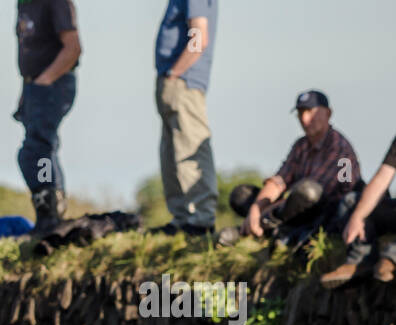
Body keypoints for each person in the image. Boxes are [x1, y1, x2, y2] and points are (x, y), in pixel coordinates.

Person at [223, 91, 362, 246]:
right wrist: (256, 208)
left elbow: (318, 194)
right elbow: (279, 181)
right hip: (290, 208)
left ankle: (261, 229)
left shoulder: (340, 149)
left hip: (325, 213)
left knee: (307, 192)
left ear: (328, 113)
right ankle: (264, 227)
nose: (304, 119)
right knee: (242, 195)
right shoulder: (301, 146)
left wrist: (264, 212)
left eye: (310, 112)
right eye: (300, 113)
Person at [14, 0, 81, 236]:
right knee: (41, 150)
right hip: (34, 87)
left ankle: (49, 215)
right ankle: (50, 213)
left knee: (36, 150)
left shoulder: (55, 3)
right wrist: (27, 91)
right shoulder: (24, 4)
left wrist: (44, 81)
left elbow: (73, 48)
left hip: (53, 84)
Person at [152, 0, 218, 236]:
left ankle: (201, 219)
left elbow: (199, 37)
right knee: (171, 151)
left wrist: (175, 73)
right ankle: (182, 218)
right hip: (176, 80)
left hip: (184, 81)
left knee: (190, 148)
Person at [320, 135, 396, 288]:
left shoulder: (340, 147)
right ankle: (360, 262)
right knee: (350, 202)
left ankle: (391, 258)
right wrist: (358, 216)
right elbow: (382, 179)